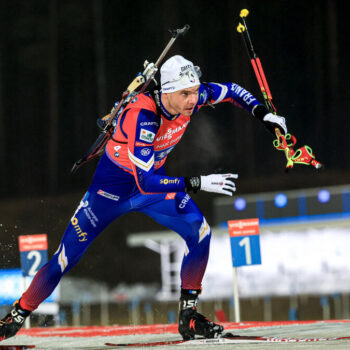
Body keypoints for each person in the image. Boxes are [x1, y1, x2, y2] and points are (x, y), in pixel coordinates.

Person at [0, 55, 287, 341]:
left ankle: (188, 317)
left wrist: (263, 114)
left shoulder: (193, 97)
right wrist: (198, 182)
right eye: (185, 93)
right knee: (64, 259)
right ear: (166, 91)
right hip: (110, 193)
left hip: (152, 189)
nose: (193, 99)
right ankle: (16, 316)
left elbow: (233, 91)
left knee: (200, 233)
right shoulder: (143, 115)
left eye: (195, 91)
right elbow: (145, 181)